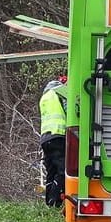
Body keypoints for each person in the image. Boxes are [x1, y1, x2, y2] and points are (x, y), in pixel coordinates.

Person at [38, 76, 68, 207]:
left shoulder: (44, 97)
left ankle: (48, 203)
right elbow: (69, 110)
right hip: (57, 135)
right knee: (63, 170)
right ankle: (55, 200)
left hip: (45, 139)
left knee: (51, 171)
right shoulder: (59, 93)